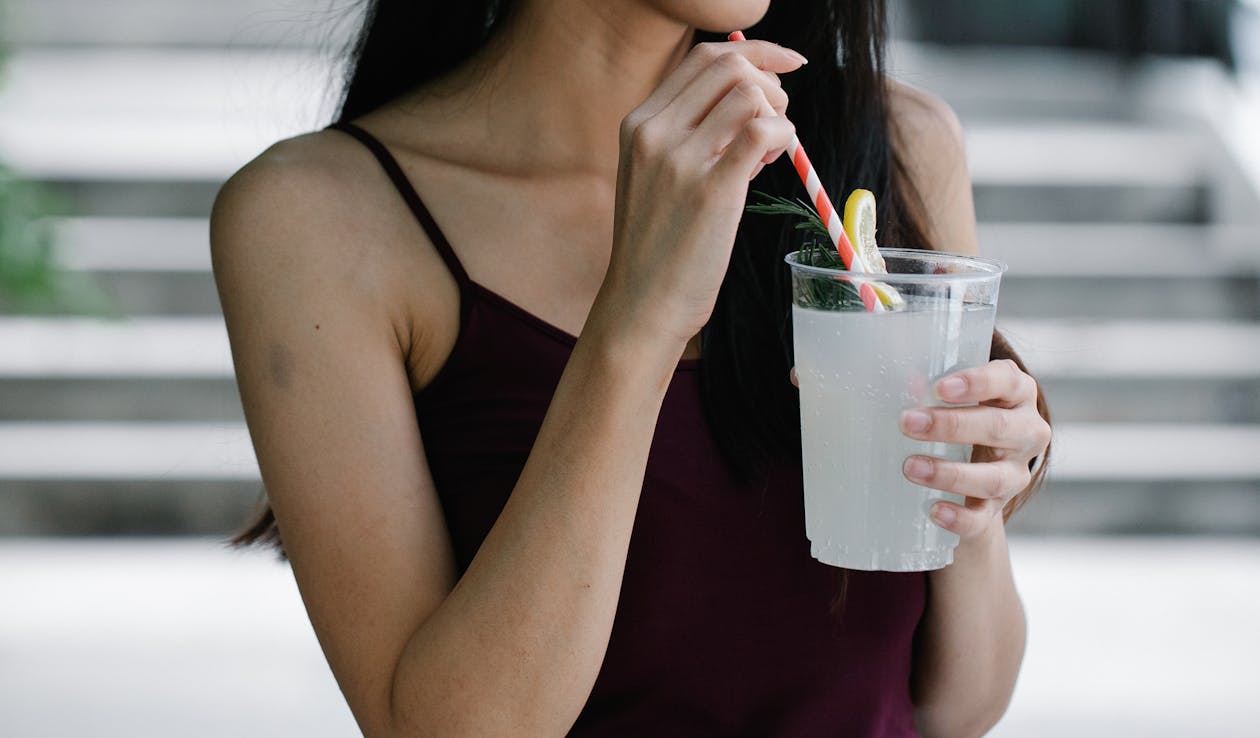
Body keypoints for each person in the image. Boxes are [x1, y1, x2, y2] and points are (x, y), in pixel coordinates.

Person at [210, 0, 1052, 735]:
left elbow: (956, 708)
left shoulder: (895, 148)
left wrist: (963, 497)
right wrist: (636, 325)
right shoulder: (317, 222)